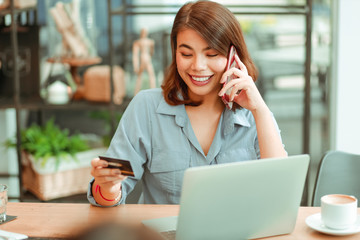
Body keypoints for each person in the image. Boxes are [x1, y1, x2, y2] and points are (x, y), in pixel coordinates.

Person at [88, 0, 287, 207]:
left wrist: (260, 110)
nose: (198, 66)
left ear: (233, 57)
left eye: (211, 54)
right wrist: (109, 188)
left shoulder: (254, 114)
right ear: (175, 53)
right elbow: (107, 197)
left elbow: (280, 194)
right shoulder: (145, 107)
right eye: (186, 54)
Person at [132, 28, 156, 95]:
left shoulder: (149, 42)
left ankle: (152, 91)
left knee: (150, 75)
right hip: (144, 58)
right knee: (141, 76)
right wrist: (135, 66)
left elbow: (152, 52)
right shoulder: (139, 42)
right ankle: (136, 93)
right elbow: (135, 55)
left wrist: (136, 65)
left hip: (145, 57)